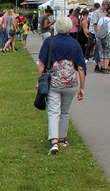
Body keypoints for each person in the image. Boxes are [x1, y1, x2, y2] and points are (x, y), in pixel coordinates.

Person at [37, 16, 86, 155]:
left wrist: (39, 80)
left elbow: (41, 63)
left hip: (54, 82)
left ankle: (54, 141)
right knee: (65, 111)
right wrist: (82, 87)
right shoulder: (75, 44)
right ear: (70, 28)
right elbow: (81, 68)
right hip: (71, 83)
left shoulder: (49, 41)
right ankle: (62, 138)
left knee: (53, 111)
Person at [96, 7, 110, 73]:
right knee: (107, 52)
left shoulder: (101, 19)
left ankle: (102, 67)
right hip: (108, 37)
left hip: (100, 37)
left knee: (101, 52)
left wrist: (97, 37)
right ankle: (106, 68)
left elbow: (98, 29)